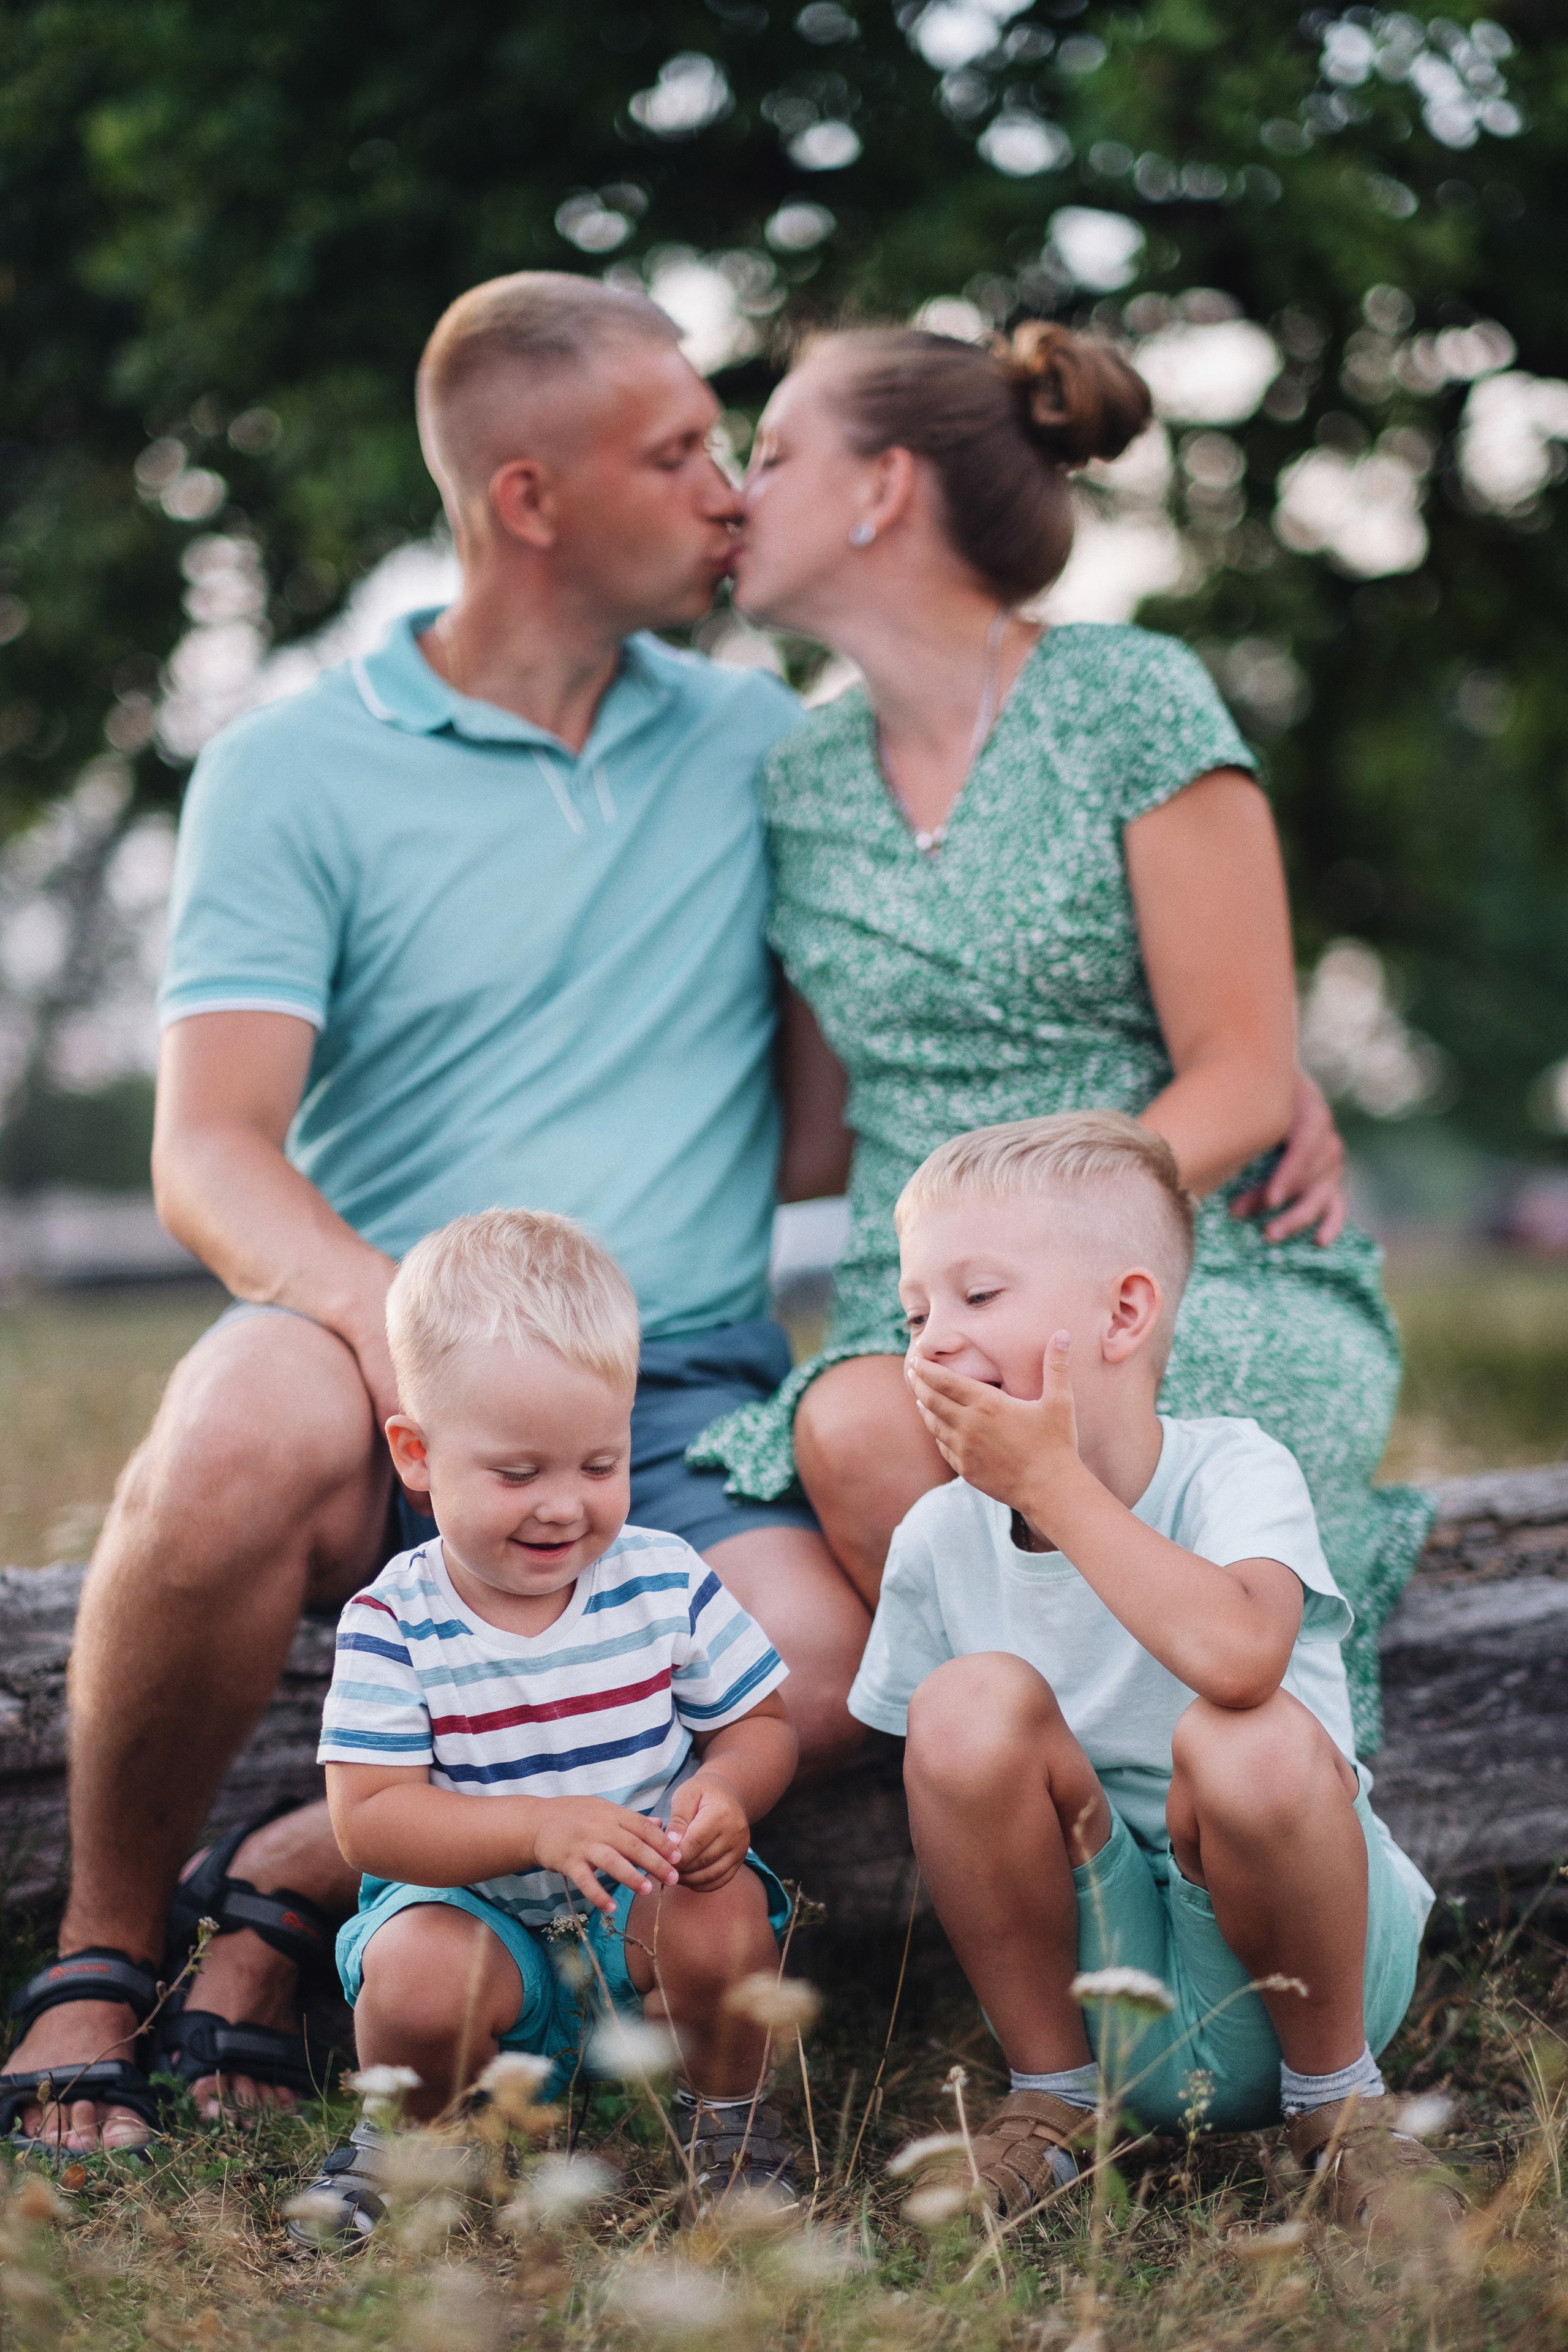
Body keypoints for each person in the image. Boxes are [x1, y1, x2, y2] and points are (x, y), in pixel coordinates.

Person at [0, 271, 872, 2157]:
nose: (730, 491)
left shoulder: (761, 745)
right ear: (531, 496)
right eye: (680, 452)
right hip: (368, 1352)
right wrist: (398, 1328)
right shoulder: (294, 765)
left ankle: (310, 1864)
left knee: (828, 1660)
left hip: (683, 1379)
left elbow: (843, 1103)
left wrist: (1236, 1052)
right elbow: (212, 1150)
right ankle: (100, 1948)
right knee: (227, 1430)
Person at [693, 320, 1432, 1754]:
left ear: (881, 489)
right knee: (858, 1423)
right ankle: (1051, 1816)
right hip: (919, 1301)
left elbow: (1239, 1065)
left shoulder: (1126, 699)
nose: (736, 493)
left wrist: (1046, 1237)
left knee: (1081, 1425)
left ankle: (1217, 1802)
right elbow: (817, 1119)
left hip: (1170, 1264)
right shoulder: (794, 784)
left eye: (773, 453)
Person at [851, 1113, 1456, 2236]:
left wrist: (1054, 1487)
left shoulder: (1234, 1467)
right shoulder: (939, 1536)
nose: (932, 1341)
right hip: (1099, 1992)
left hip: (1310, 1973)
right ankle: (1054, 2105)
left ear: (1125, 1313)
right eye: (916, 1312)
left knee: (1246, 1732)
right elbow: (955, 1779)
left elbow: (1239, 1659)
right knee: (964, 1703)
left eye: (979, 1298)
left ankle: (1342, 2113)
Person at [290, 1208, 800, 2242]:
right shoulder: (395, 1618)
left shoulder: (661, 1579)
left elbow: (766, 1725)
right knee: (415, 1968)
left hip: (636, 1915)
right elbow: (372, 1821)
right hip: (478, 1921)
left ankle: (731, 2128)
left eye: (598, 1466)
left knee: (728, 1904)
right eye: (518, 1474)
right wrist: (537, 1829)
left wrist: (729, 1790)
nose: (564, 1507)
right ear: (417, 1454)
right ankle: (411, 2142)